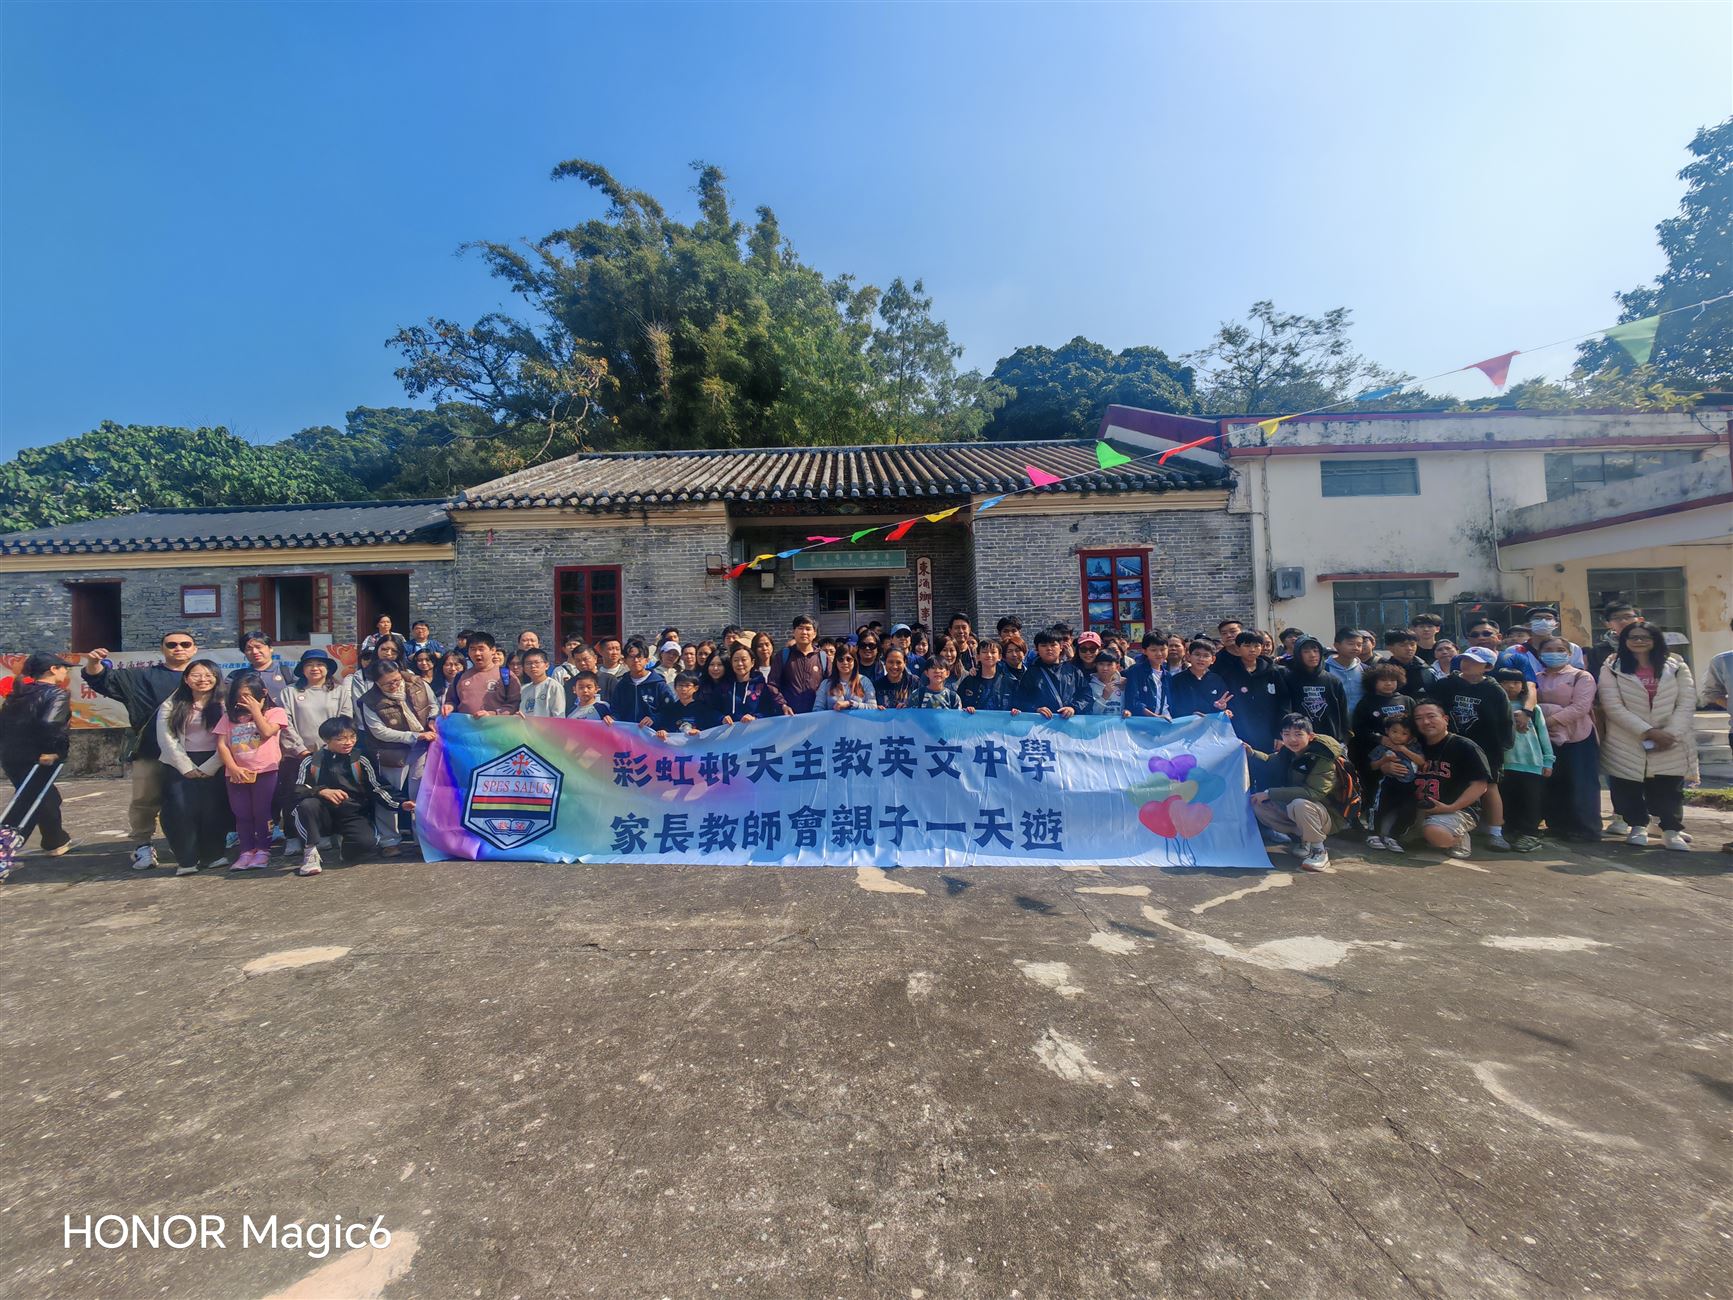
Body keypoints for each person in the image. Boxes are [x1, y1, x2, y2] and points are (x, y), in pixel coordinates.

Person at [83, 630, 202, 871]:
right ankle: (143, 845)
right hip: (151, 749)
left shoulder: (205, 676)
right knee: (145, 798)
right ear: (162, 649)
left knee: (196, 799)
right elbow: (103, 680)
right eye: (172, 644)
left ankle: (198, 843)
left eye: (185, 644)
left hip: (196, 751)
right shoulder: (142, 677)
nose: (178, 648)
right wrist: (93, 664)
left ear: (194, 649)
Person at [1597, 620, 1695, 850]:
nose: (1639, 641)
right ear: (1624, 641)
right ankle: (1637, 826)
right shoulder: (1612, 667)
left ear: (1655, 640)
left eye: (1645, 637)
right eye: (1633, 637)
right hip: (1627, 737)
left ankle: (1670, 830)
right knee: (1627, 785)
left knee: (1669, 786)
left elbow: (1687, 702)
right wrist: (1647, 731)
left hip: (1670, 738)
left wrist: (1670, 733)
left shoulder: (1677, 666)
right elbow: (1612, 705)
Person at [288, 717, 413, 876]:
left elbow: (377, 787)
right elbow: (297, 789)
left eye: (352, 737)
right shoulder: (311, 760)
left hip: (352, 813)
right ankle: (310, 852)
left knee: (365, 845)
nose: (348, 742)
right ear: (326, 740)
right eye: (340, 739)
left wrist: (400, 803)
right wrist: (321, 791)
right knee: (307, 805)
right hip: (321, 813)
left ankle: (344, 844)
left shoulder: (361, 759)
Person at [1426, 646, 1515, 851]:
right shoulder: (1446, 684)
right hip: (1450, 744)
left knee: (1489, 786)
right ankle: (1451, 826)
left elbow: (1506, 721)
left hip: (1486, 748)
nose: (1467, 664)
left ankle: (1496, 833)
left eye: (1475, 662)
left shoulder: (1494, 690)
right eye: (1465, 659)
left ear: (1488, 666)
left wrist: (1503, 746)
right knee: (1447, 782)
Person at [155, 659, 234, 876]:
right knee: (180, 810)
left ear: (217, 678)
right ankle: (186, 859)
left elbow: (231, 736)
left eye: (208, 675)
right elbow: (166, 737)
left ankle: (213, 855)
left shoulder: (225, 703)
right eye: (196, 675)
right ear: (186, 679)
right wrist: (185, 766)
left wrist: (211, 766)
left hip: (216, 760)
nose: (203, 680)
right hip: (178, 763)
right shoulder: (172, 703)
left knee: (213, 810)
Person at [1245, 714, 1352, 872]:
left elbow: (1313, 793)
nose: (1292, 739)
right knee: (1258, 804)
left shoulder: (1323, 758)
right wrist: (1251, 753)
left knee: (1300, 804)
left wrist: (1269, 793)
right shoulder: (1289, 752)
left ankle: (1319, 851)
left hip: (1330, 814)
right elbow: (1269, 760)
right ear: (1281, 736)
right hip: (1308, 810)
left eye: (1298, 734)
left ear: (1311, 736)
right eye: (1287, 734)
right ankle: (1305, 840)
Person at [0, 652, 73, 870]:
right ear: (52, 669)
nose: (66, 671)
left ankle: (55, 841)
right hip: (39, 757)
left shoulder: (17, 693)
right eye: (63, 667)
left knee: (47, 797)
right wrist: (52, 750)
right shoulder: (56, 694)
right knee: (29, 803)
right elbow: (51, 723)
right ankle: (4, 848)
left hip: (11, 756)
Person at [357, 661, 436, 856]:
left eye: (396, 680)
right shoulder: (369, 701)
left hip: (422, 748)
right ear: (376, 683)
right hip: (391, 751)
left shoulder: (417, 684)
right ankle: (389, 841)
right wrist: (413, 736)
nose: (394, 685)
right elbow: (379, 731)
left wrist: (432, 720)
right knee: (389, 795)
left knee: (419, 794)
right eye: (387, 684)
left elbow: (433, 704)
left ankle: (422, 840)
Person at [213, 670, 288, 871]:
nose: (243, 700)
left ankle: (263, 849)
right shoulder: (229, 717)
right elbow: (222, 745)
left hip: (265, 770)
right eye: (239, 696)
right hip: (236, 773)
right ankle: (246, 851)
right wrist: (233, 767)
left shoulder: (275, 713)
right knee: (242, 813)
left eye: (247, 695)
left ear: (262, 693)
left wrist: (256, 711)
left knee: (262, 812)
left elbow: (267, 732)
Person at [1533, 634, 1601, 843]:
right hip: (1547, 738)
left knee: (1581, 782)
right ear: (1540, 654)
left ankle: (1586, 827)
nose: (1554, 654)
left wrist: (1549, 721)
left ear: (1570, 654)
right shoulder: (1537, 677)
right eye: (1548, 650)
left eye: (1560, 650)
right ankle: (1558, 825)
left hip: (1578, 736)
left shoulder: (1582, 677)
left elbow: (1580, 707)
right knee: (1554, 781)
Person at [278, 649, 346, 855]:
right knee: (295, 793)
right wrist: (300, 749)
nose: (315, 669)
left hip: (330, 753)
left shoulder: (339, 691)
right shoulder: (289, 692)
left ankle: (325, 833)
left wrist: (333, 746)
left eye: (319, 664)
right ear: (302, 669)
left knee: (328, 793)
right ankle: (292, 837)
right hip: (299, 754)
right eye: (309, 665)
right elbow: (285, 724)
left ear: (327, 668)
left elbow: (345, 719)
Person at [1409, 700, 1492, 858]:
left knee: (1433, 832)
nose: (1425, 722)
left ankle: (1458, 839)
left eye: (1431, 716)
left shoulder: (1465, 746)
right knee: (1389, 834)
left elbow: (1480, 785)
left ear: (1445, 719)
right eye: (1418, 718)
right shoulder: (1414, 746)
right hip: (1419, 808)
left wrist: (1451, 807)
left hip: (1458, 810)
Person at [1492, 667, 1553, 852]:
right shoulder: (1494, 706)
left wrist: (1548, 760)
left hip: (1531, 763)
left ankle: (1530, 834)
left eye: (1516, 682)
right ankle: (1510, 831)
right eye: (1505, 682)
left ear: (1523, 686)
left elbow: (1543, 735)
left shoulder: (1533, 709)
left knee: (1530, 800)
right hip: (1504, 763)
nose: (1511, 686)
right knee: (1507, 799)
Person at [1216, 631, 1288, 748]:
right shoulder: (1228, 673)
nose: (1252, 649)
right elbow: (1224, 702)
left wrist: (1280, 733)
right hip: (1240, 733)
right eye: (1247, 646)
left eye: (1256, 646)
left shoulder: (1272, 672)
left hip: (1270, 732)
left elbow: (1284, 702)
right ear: (1238, 648)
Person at [1365, 716, 1422, 853]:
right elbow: (1372, 765)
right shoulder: (1383, 748)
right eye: (1394, 731)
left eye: (1404, 733)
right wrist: (1384, 760)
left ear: (1411, 736)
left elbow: (1421, 761)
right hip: (1388, 784)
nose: (1398, 736)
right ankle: (1373, 834)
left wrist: (1404, 750)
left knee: (1409, 811)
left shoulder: (1414, 747)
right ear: (1387, 731)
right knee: (1378, 807)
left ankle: (1393, 837)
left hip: (1409, 787)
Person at [1015, 629, 1092, 719]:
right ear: (1037, 649)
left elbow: (1087, 695)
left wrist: (1074, 708)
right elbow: (1021, 700)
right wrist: (1036, 709)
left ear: (1061, 647)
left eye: (1053, 645)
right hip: (1041, 723)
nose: (1049, 649)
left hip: (1070, 723)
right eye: (1044, 645)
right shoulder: (1031, 673)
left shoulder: (1073, 671)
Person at [1285, 636, 1349, 742]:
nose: (1312, 655)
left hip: (1329, 740)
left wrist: (1344, 738)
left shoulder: (1332, 680)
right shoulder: (1288, 679)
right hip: (1299, 740)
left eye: (1316, 651)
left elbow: (1343, 712)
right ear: (1298, 654)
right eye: (1306, 651)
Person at [448, 632, 520, 716]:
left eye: (481, 649)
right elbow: (451, 700)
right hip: (465, 724)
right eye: (473, 649)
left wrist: (492, 714)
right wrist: (449, 706)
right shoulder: (460, 676)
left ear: (493, 650)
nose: (477, 653)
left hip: (497, 724)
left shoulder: (506, 676)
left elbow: (515, 705)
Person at [770, 616, 828, 714]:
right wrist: (782, 705)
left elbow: (831, 684)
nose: (804, 632)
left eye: (808, 629)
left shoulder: (822, 657)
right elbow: (772, 684)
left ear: (814, 633)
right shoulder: (783, 655)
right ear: (794, 632)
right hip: (789, 716)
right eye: (800, 628)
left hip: (817, 715)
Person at [611, 638, 675, 725]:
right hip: (627, 732)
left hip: (651, 732)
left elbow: (669, 711)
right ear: (625, 661)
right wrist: (612, 718)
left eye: (639, 656)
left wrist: (654, 719)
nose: (636, 660)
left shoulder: (658, 685)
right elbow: (615, 710)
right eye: (631, 657)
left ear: (647, 660)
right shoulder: (622, 685)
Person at [719, 646, 791, 722]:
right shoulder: (724, 686)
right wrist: (722, 718)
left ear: (752, 662)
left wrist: (755, 718)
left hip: (756, 728)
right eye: (736, 660)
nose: (740, 663)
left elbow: (769, 709)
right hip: (729, 729)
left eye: (744, 660)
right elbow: (712, 709)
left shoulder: (760, 686)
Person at [1168, 640, 1232, 718]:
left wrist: (1223, 708)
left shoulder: (1217, 680)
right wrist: (1190, 715)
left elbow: (1223, 705)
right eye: (1197, 654)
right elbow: (1171, 706)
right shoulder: (1176, 680)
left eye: (1206, 656)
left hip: (1211, 724)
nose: (1201, 659)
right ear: (1189, 656)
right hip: (1186, 724)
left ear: (1213, 660)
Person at [1586, 602, 1642, 681]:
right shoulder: (1598, 651)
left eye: (1628, 616)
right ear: (1608, 624)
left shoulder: (1652, 645)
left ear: (1640, 620)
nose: (1623, 621)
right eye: (1616, 618)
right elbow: (1596, 679)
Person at [1121, 634, 1170, 719]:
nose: (1159, 654)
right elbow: (1133, 701)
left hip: (1165, 721)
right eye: (1153, 650)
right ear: (1144, 651)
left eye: (1163, 649)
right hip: (1143, 722)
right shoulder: (1136, 671)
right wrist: (1155, 717)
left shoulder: (1168, 676)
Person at [960, 639, 1016, 712]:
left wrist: (1016, 711)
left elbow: (1018, 705)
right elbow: (959, 706)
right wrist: (966, 709)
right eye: (984, 652)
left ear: (999, 657)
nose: (989, 655)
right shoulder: (969, 681)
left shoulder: (1010, 682)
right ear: (978, 656)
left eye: (993, 652)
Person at [239, 631, 293, 704]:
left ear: (270, 648)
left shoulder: (287, 673)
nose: (254, 652)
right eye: (249, 648)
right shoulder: (236, 676)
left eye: (258, 647)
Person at [650, 673, 710, 738]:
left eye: (687, 686)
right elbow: (665, 727)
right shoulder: (670, 709)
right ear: (675, 688)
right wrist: (662, 732)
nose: (683, 689)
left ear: (696, 688)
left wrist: (700, 731)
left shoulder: (704, 708)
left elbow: (710, 729)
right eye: (680, 685)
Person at [1323, 628, 1366, 714]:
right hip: (1335, 717)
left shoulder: (1365, 669)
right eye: (1350, 644)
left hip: (1361, 718)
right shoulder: (1324, 669)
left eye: (1359, 645)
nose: (1356, 648)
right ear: (1336, 645)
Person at [1382, 630, 1435, 695]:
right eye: (1403, 645)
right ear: (1389, 647)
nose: (1409, 648)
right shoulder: (1383, 670)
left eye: (1412, 644)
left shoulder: (1425, 669)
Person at [517, 649, 567, 718]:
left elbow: (559, 716)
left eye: (537, 662)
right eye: (528, 663)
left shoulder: (554, 686)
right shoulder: (523, 689)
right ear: (524, 668)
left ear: (547, 665)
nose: (533, 666)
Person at [825, 646, 877, 711]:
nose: (845, 662)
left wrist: (851, 704)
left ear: (855, 661)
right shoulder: (826, 684)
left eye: (849, 659)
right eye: (841, 659)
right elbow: (817, 710)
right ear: (836, 662)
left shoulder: (865, 681)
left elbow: (873, 707)